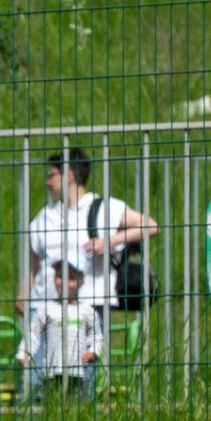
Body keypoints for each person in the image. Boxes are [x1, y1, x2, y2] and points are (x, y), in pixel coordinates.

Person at [22, 145, 158, 374]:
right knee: (40, 374)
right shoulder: (46, 214)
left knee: (81, 375)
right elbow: (34, 257)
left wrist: (111, 241)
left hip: (87, 303)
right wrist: (24, 291)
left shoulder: (103, 207)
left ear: (70, 175)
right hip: (45, 304)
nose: (47, 182)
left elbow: (150, 226)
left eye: (51, 175)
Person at [17, 257, 99, 401]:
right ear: (54, 279)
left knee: (78, 406)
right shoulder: (46, 309)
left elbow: (95, 335)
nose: (65, 283)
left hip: (78, 371)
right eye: (60, 277)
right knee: (51, 405)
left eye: (72, 278)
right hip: (51, 372)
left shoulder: (87, 310)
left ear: (81, 282)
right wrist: (24, 353)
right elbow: (33, 334)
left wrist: (94, 351)